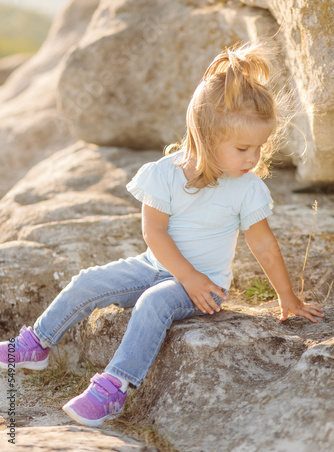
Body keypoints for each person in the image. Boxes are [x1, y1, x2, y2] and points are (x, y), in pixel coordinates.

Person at [0, 42, 324, 427]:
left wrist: (287, 297)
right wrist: (181, 273)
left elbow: (263, 244)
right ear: (205, 133)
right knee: (87, 281)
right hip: (154, 266)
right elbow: (154, 232)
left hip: (205, 286)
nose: (253, 158)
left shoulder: (246, 187)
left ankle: (114, 388)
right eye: (242, 148)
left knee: (153, 304)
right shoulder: (164, 173)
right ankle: (36, 344)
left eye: (259, 147)